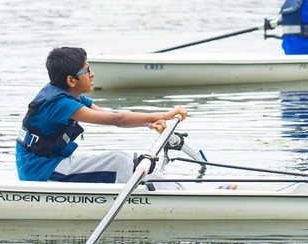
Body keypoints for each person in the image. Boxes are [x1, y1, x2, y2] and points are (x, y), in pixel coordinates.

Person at [16, 46, 188, 186]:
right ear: (71, 80)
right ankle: (175, 198)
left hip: (50, 163)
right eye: (87, 70)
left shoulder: (69, 95)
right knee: (119, 162)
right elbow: (118, 120)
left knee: (129, 158)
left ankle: (179, 190)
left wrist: (149, 123)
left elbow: (109, 114)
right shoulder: (60, 104)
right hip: (40, 171)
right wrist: (166, 114)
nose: (92, 74)